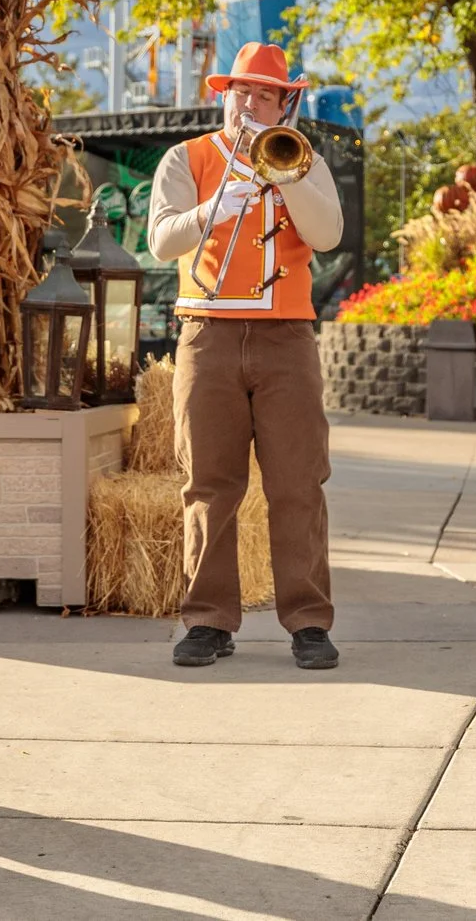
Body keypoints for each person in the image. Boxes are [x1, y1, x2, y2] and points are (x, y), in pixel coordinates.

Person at [145, 42, 346, 673]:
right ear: (223, 96)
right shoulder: (187, 158)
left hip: (286, 335)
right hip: (208, 333)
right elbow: (159, 241)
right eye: (241, 93)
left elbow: (328, 236)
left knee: (299, 483)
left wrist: (284, 182)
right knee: (208, 483)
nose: (250, 104)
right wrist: (212, 209)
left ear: (286, 104)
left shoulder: (304, 159)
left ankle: (309, 622)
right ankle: (208, 620)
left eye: (265, 95)